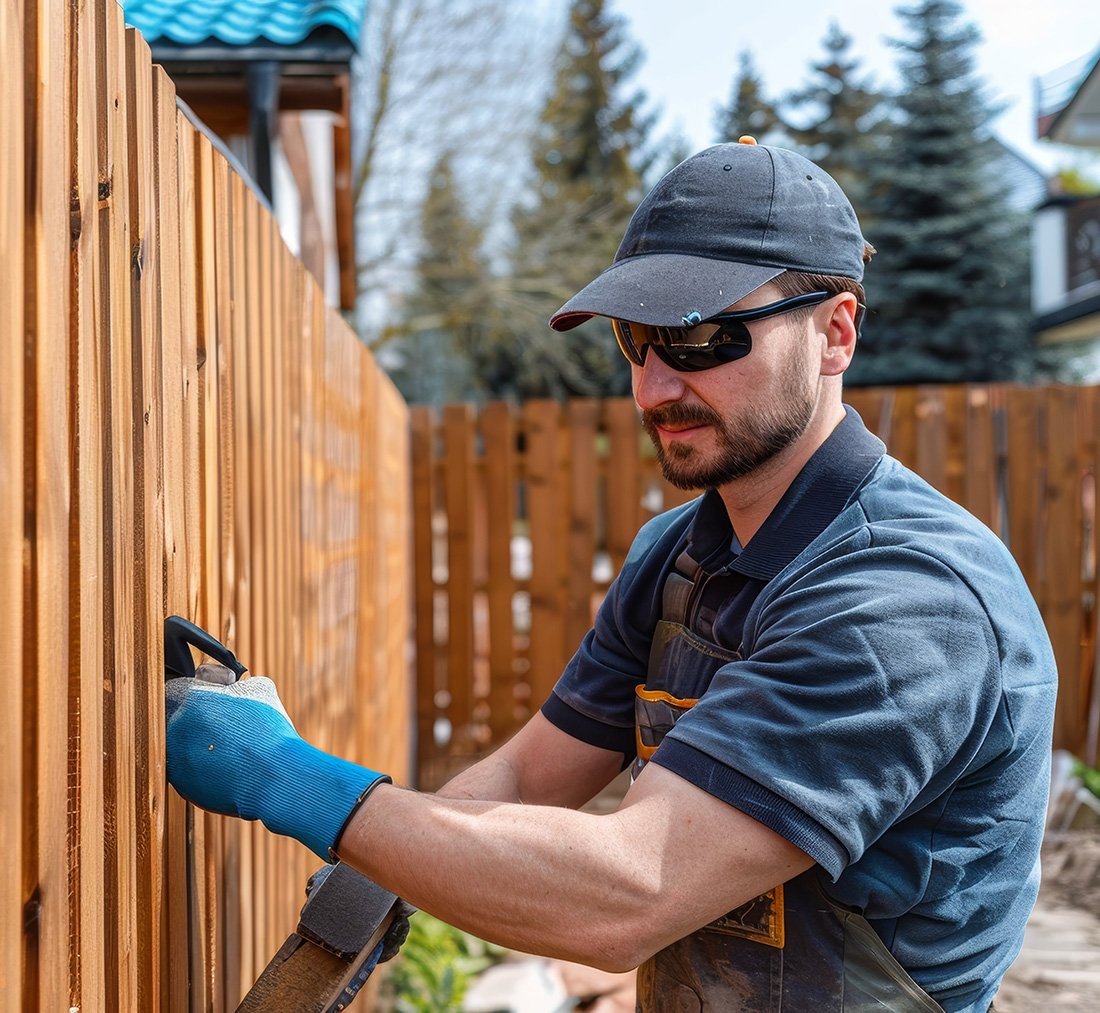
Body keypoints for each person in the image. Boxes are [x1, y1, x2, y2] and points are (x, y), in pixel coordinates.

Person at [165, 138, 1057, 1012]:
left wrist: (283, 775)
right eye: (637, 339)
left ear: (836, 332)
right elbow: (522, 779)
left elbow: (628, 893)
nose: (655, 386)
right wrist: (388, 861)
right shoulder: (677, 555)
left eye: (705, 336)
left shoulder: (908, 603)